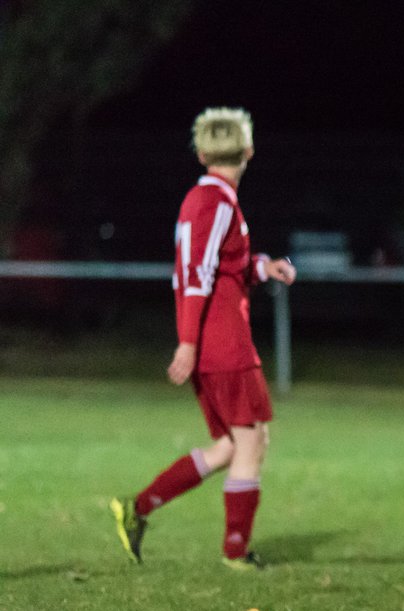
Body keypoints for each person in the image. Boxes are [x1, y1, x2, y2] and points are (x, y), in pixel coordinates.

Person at [111, 108, 296, 571]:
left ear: (201, 153)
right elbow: (197, 275)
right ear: (249, 151)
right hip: (224, 343)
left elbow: (224, 267)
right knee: (252, 443)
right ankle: (236, 551)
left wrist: (261, 267)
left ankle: (139, 507)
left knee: (232, 447)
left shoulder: (208, 200)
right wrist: (188, 342)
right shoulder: (214, 203)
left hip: (215, 341)